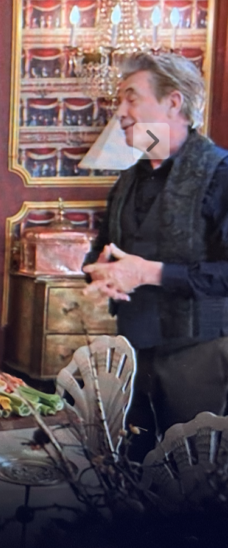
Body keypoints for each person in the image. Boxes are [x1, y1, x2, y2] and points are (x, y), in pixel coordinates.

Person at [82, 52, 228, 457]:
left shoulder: (220, 173)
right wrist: (99, 274)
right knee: (132, 463)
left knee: (189, 479)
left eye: (132, 98)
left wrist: (152, 273)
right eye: (119, 101)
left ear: (173, 102)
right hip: (132, 352)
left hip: (196, 355)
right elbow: (100, 251)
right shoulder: (129, 179)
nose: (121, 112)